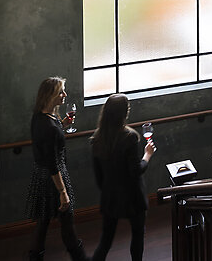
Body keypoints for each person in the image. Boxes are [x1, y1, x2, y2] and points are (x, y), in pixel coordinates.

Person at [26, 77, 89, 261]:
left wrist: (63, 124)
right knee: (67, 223)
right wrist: (62, 192)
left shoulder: (41, 117)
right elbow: (53, 162)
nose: (65, 95)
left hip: (42, 177)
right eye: (61, 91)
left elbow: (50, 140)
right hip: (55, 178)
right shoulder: (49, 126)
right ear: (50, 95)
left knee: (43, 223)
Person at [90, 93, 155, 261]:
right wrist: (147, 155)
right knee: (138, 235)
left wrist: (108, 190)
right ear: (124, 113)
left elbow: (98, 177)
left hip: (110, 197)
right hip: (133, 197)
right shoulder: (130, 137)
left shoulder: (97, 138)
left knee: (105, 241)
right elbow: (135, 171)